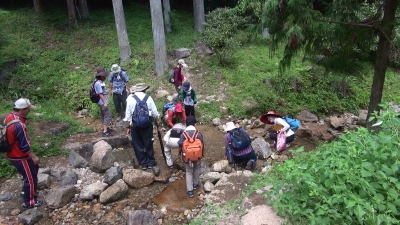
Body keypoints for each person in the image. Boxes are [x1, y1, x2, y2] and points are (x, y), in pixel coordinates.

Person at [5, 98, 43, 209]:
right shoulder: (19, 125)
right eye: (28, 109)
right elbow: (24, 145)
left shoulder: (10, 117)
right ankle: (29, 202)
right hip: (20, 156)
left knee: (33, 170)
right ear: (22, 110)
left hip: (12, 154)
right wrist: (34, 156)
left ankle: (26, 192)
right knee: (30, 178)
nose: (29, 111)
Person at [124, 83, 160, 176]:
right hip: (147, 124)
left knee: (138, 144)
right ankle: (151, 163)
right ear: (144, 90)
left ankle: (144, 164)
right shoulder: (148, 98)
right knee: (148, 142)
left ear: (135, 90)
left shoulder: (130, 99)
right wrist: (156, 123)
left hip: (135, 125)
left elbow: (127, 116)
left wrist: (127, 127)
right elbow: (155, 113)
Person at [178, 116, 204, 198]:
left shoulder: (183, 134)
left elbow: (180, 144)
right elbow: (202, 144)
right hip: (197, 156)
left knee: (189, 172)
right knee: (196, 168)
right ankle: (196, 184)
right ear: (195, 124)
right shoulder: (198, 134)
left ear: (186, 124)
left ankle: (190, 191)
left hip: (187, 158)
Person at [94, 70, 113, 136]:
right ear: (101, 76)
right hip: (102, 102)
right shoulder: (98, 83)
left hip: (101, 102)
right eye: (104, 76)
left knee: (103, 115)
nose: (105, 77)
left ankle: (105, 129)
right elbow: (100, 94)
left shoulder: (97, 81)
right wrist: (105, 102)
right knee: (107, 115)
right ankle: (105, 131)